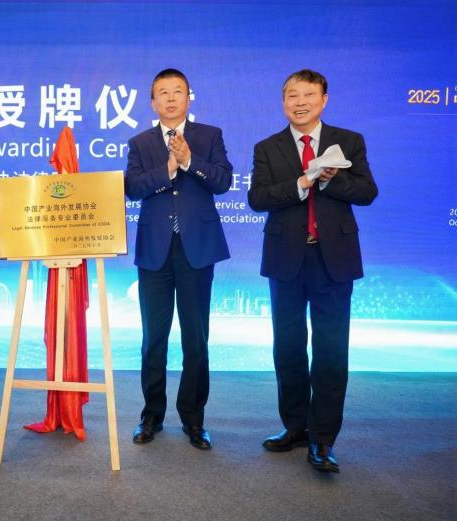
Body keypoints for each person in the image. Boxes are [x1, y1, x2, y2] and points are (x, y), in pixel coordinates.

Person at [248, 69, 378, 473]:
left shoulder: (348, 141)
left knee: (330, 351)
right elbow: (257, 198)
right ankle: (295, 427)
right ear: (283, 102)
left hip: (333, 260)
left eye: (308, 95)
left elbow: (367, 192)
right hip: (286, 259)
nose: (300, 102)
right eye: (292, 95)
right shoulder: (267, 147)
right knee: (287, 348)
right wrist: (302, 182)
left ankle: (323, 439)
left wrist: (331, 181)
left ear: (324, 100)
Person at [124, 69, 232, 450]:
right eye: (163, 93)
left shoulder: (209, 136)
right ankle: (151, 415)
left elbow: (223, 181)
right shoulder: (140, 143)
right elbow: (132, 188)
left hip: (196, 250)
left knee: (195, 339)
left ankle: (193, 419)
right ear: (153, 102)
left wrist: (189, 162)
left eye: (177, 92)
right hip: (155, 251)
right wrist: (168, 169)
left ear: (189, 97)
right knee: (153, 338)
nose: (170, 99)